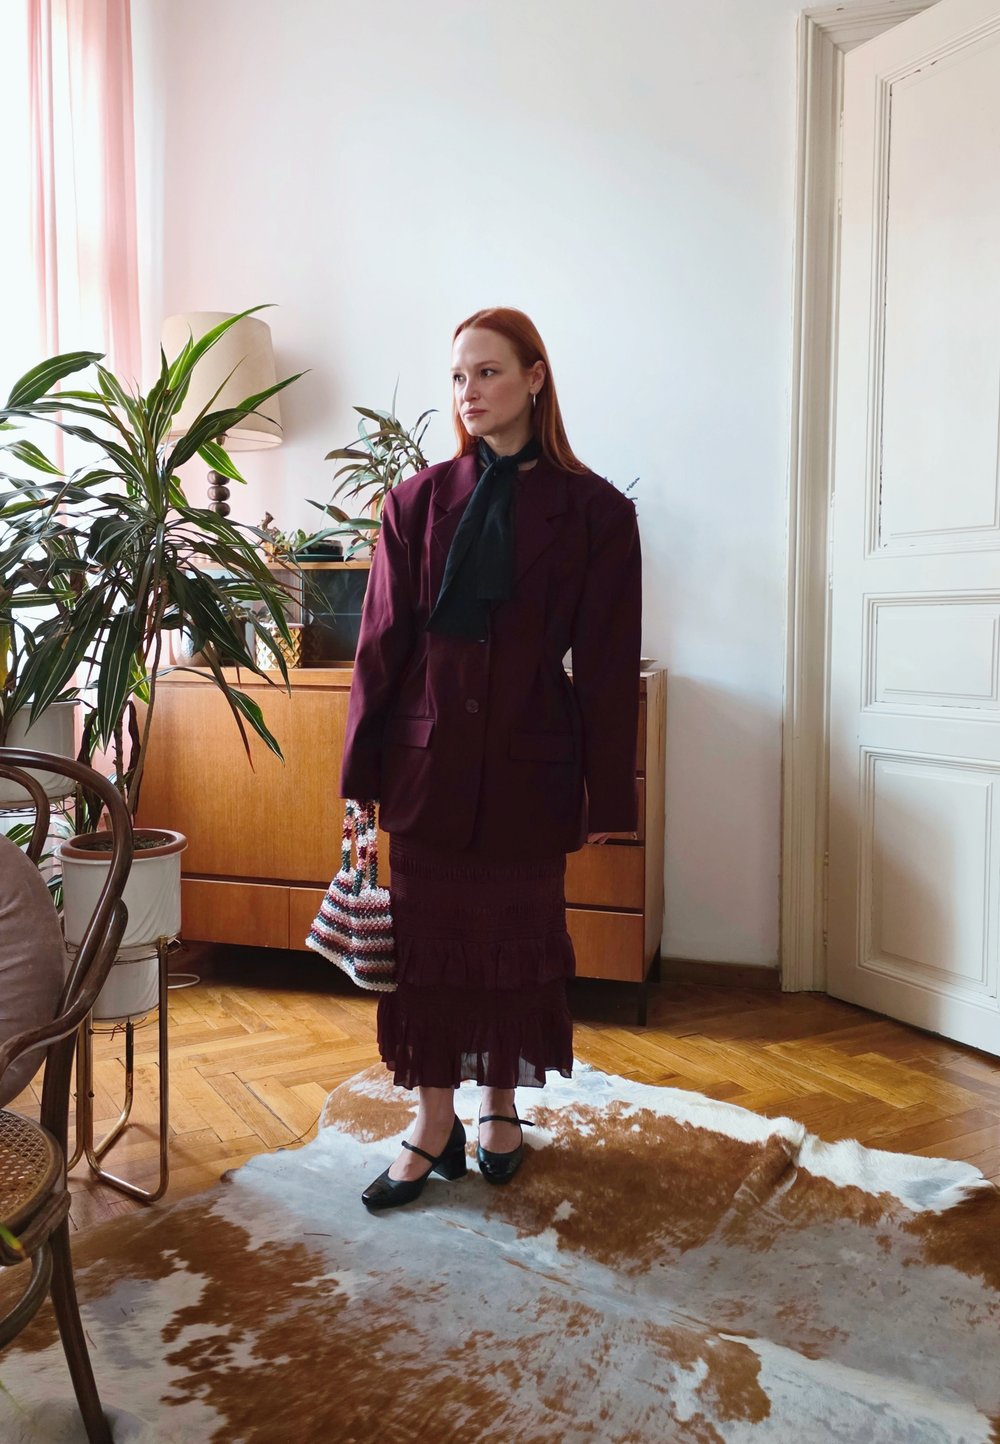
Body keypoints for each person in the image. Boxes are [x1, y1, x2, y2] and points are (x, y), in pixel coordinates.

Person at [339, 306, 642, 1211]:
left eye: (489, 372)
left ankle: (500, 1107)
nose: (468, 392)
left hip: (529, 769)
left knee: (515, 949)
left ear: (535, 377)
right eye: (459, 376)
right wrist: (360, 776)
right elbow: (381, 647)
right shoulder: (414, 502)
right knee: (429, 956)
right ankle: (433, 1123)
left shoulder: (597, 512)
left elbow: (607, 664)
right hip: (425, 768)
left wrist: (607, 794)